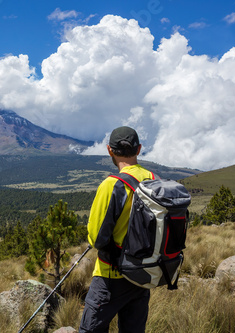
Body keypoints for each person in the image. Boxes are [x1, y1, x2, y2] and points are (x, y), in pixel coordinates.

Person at [79, 126, 155, 333]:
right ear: (138, 149)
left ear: (109, 150)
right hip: (143, 273)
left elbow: (96, 238)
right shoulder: (153, 180)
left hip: (111, 276)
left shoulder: (112, 185)